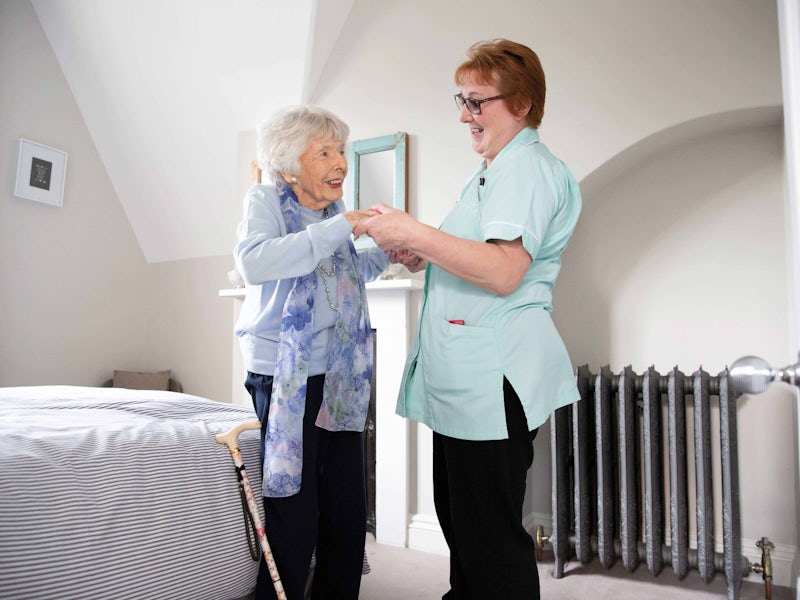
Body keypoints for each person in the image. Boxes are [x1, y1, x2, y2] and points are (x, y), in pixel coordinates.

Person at [354, 39, 582, 599]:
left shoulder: (526, 170)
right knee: (464, 524)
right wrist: (424, 254)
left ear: (522, 104)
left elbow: (505, 272)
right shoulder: (494, 170)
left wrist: (413, 232)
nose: (463, 115)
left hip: (493, 375)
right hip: (469, 378)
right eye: (462, 100)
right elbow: (478, 259)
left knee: (488, 539)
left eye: (477, 102)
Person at [234, 105, 389, 600]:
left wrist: (390, 255)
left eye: (340, 149)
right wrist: (344, 228)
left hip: (338, 375)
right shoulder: (266, 200)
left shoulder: (332, 215)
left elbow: (343, 280)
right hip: (284, 375)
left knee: (346, 510)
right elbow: (256, 262)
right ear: (288, 163)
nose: (340, 161)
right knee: (294, 511)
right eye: (324, 151)